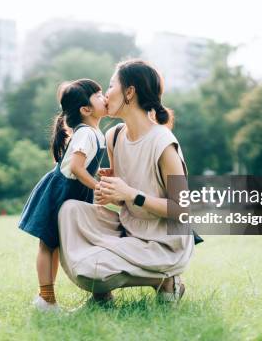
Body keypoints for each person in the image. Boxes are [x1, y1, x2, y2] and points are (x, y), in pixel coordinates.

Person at [58, 59, 194, 305]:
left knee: (92, 267)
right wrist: (114, 194)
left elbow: (182, 210)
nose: (106, 94)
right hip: (129, 229)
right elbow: (123, 199)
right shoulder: (114, 135)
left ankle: (166, 280)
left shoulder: (163, 143)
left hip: (162, 242)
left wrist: (132, 194)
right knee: (70, 211)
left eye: (111, 86)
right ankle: (103, 296)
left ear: (129, 92)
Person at [18, 79, 108, 312]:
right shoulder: (86, 133)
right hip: (60, 191)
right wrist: (97, 186)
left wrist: (99, 173)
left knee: (57, 244)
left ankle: (56, 299)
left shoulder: (95, 133)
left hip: (73, 191)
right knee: (48, 244)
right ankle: (46, 299)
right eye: (98, 96)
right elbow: (77, 169)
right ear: (85, 110)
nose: (105, 97)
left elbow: (84, 165)